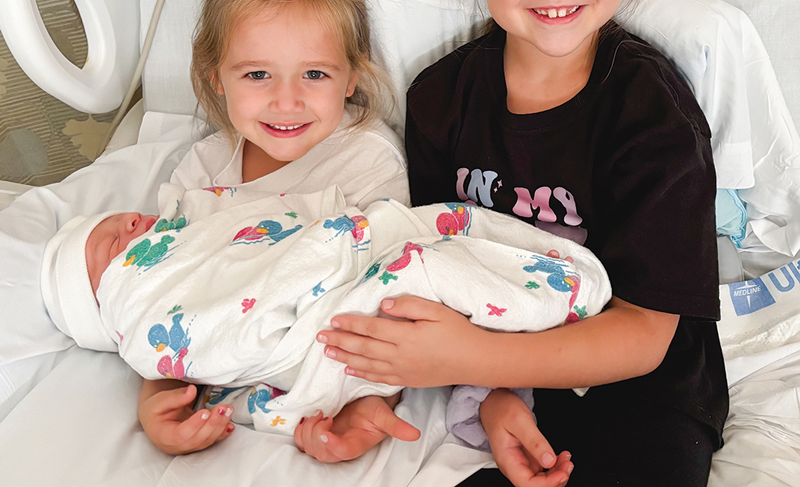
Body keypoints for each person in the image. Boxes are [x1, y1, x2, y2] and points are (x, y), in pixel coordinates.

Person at [312, 0, 728, 487]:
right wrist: (497, 395)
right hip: (504, 378)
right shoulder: (440, 102)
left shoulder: (654, 116)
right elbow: (447, 268)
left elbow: (645, 336)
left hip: (645, 388)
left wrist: (472, 363)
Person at [137, 0, 416, 456]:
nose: (286, 102)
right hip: (219, 368)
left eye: (314, 74)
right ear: (216, 74)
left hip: (325, 357)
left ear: (352, 76)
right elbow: (159, 289)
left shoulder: (366, 160)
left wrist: (359, 402)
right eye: (257, 75)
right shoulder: (203, 170)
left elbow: (385, 294)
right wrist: (160, 392)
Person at [41, 190, 611, 437]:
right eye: (109, 245)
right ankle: (548, 302)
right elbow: (184, 342)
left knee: (425, 259)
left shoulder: (192, 218)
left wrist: (329, 245)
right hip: (324, 328)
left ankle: (545, 299)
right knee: (420, 277)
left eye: (123, 219)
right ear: (101, 303)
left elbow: (266, 239)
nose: (133, 227)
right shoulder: (137, 320)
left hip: (345, 263)